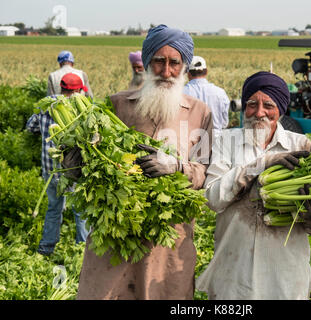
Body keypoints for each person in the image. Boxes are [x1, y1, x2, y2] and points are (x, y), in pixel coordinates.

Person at [74, 24, 213, 300]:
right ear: (147, 63)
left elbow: (205, 172)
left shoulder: (200, 113)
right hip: (115, 233)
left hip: (168, 238)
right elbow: (92, 166)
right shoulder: (117, 105)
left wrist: (176, 167)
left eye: (175, 63)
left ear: (185, 67)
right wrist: (76, 162)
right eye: (159, 61)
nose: (166, 71)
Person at [195, 71, 311, 300]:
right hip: (234, 269)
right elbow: (212, 198)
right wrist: (260, 165)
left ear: (280, 109)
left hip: (285, 273)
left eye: (268, 105)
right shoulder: (226, 142)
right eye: (251, 104)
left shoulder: (304, 147)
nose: (259, 113)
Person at [26, 73, 89, 256]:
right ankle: (81, 251)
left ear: (61, 88)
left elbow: (31, 128)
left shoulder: (45, 104)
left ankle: (46, 249)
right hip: (73, 170)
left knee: (54, 208)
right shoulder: (81, 108)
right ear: (77, 90)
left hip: (50, 169)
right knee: (80, 211)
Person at [183, 56, 230, 139]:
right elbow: (224, 123)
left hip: (190, 142)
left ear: (188, 73)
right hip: (216, 141)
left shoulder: (181, 93)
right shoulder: (220, 93)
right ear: (206, 72)